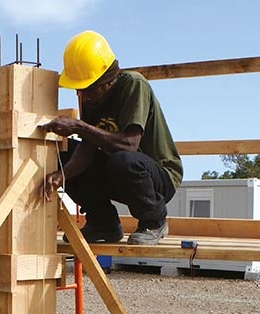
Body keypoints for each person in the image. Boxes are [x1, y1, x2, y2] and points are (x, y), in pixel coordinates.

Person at [41, 30, 182, 245]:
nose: (84, 96)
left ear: (107, 81)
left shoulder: (134, 85)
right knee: (65, 152)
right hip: (118, 173)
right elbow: (88, 147)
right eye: (80, 90)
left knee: (123, 159)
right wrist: (63, 175)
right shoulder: (92, 99)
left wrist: (80, 126)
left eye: (89, 89)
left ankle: (154, 221)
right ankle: (103, 224)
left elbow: (129, 144)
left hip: (157, 178)